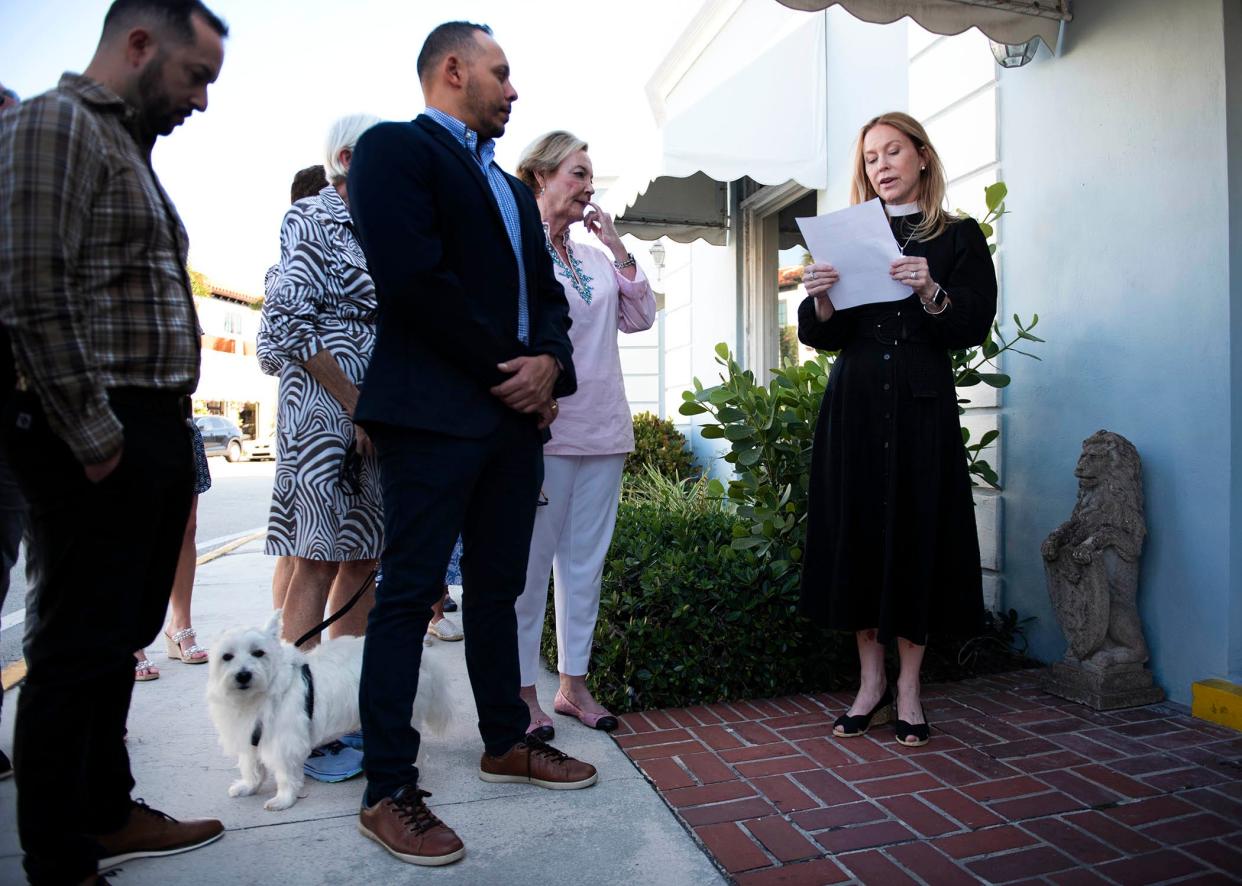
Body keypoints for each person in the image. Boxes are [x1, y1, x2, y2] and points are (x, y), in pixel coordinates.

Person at [348, 20, 595, 867]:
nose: (514, 89)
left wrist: (551, 369)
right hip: (434, 416)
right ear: (454, 71)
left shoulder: (512, 190)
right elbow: (415, 281)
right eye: (501, 72)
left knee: (498, 589)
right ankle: (387, 788)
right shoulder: (394, 151)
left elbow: (549, 298)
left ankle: (506, 740)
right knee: (410, 595)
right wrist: (512, 372)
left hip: (510, 423)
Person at [0, 1, 229, 883]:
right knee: (73, 647)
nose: (202, 100)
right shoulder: (56, 124)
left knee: (115, 637)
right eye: (194, 75)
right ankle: (60, 857)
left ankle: (104, 811)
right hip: (98, 426)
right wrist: (94, 436)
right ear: (138, 45)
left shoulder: (125, 148)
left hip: (148, 424)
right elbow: (25, 282)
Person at [797, 111, 997, 748]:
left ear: (922, 158)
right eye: (870, 158)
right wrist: (821, 295)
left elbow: (972, 325)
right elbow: (823, 333)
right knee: (859, 534)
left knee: (918, 534)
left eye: (892, 152)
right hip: (856, 402)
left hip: (920, 403)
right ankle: (870, 683)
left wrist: (931, 290)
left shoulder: (959, 237)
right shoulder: (850, 235)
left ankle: (910, 687)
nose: (880, 165)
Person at [513, 131, 656, 738]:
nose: (588, 185)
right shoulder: (518, 249)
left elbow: (641, 316)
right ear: (540, 178)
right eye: (577, 173)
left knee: (584, 569)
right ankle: (522, 695)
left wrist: (616, 243)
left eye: (590, 175)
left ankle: (574, 687)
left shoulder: (596, 256)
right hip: (543, 433)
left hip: (604, 429)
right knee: (527, 570)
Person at [263, 115, 387, 783]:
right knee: (314, 560)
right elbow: (287, 320)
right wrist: (352, 400)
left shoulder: (378, 222)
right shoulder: (309, 216)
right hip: (321, 411)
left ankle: (344, 708)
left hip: (375, 412)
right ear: (344, 158)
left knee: (364, 559)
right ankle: (296, 720)